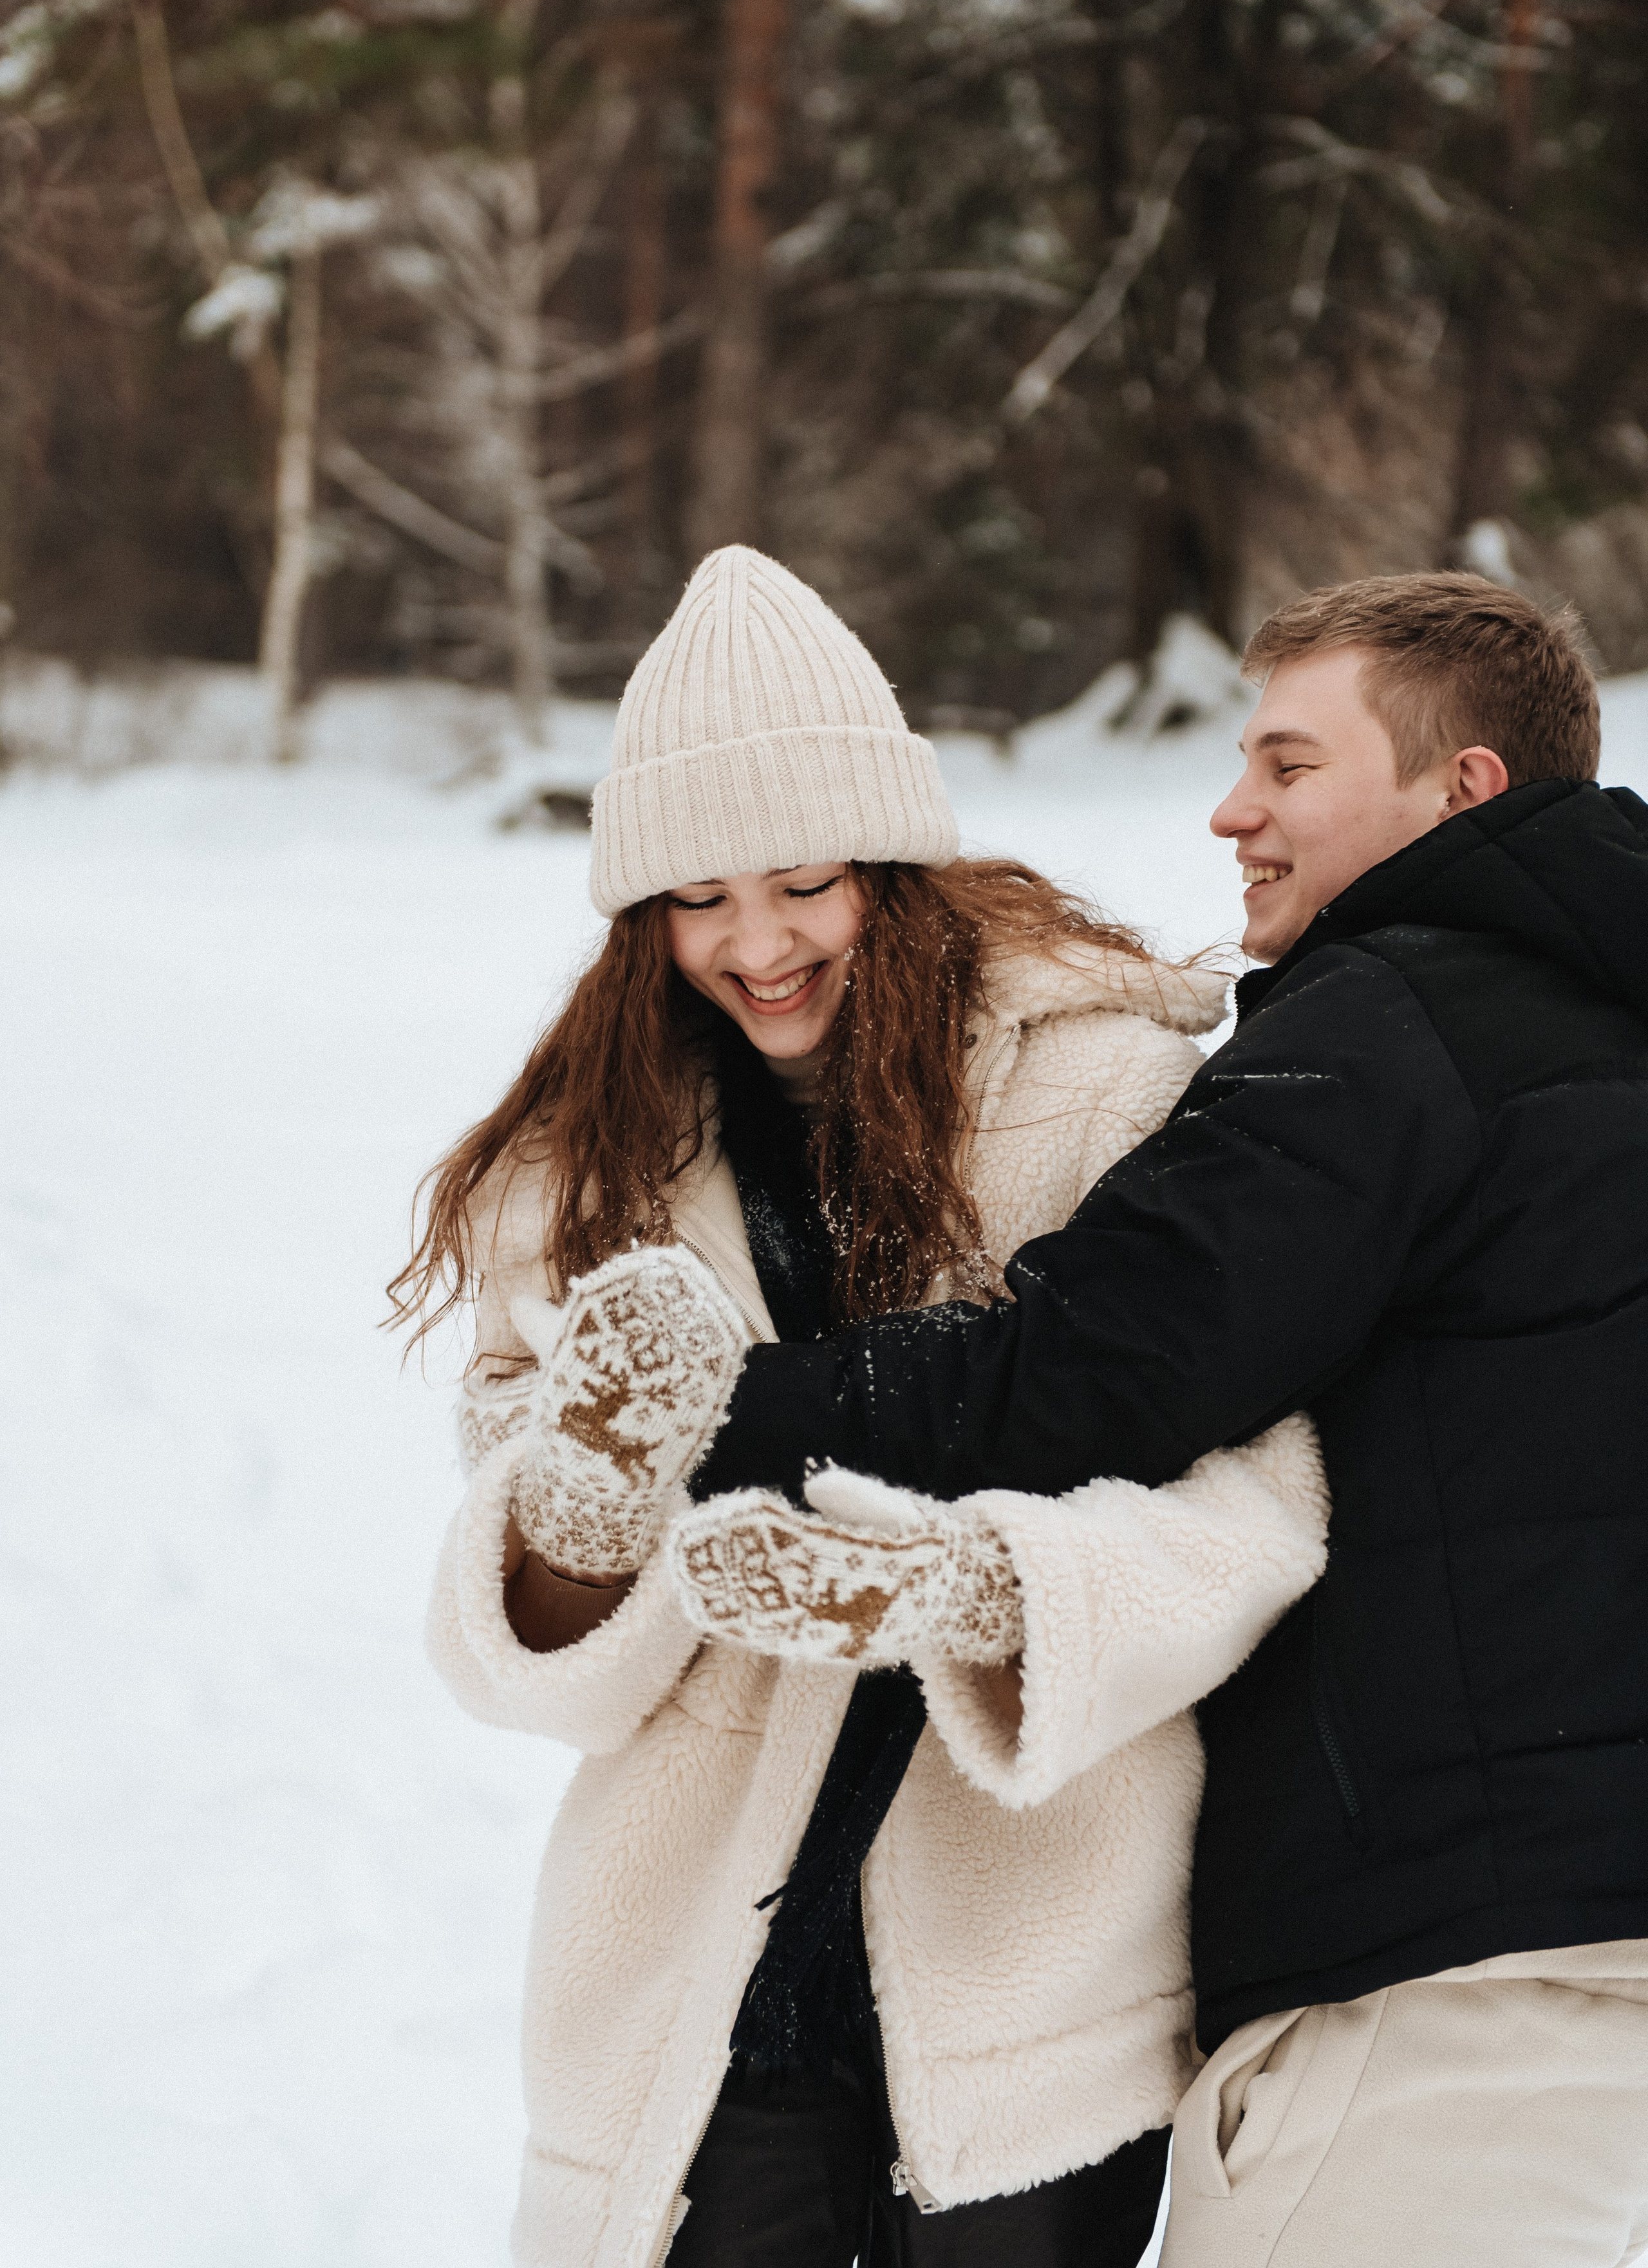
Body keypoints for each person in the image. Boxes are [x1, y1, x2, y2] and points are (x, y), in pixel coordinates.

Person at [680, 571, 1648, 2268]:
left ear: (1465, 785)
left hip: (1465, 1992)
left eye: (1290, 764)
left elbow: (1092, 1369)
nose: (1232, 809)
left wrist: (707, 1415)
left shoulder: (1399, 1022)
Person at [395, 545, 1327, 2268]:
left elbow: (1261, 1509)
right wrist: (575, 1532)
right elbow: (520, 1661)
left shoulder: (1111, 1097)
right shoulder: (588, 1172)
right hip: (702, 1992)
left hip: (1031, 1983)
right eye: (698, 899)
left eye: (805, 882)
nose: (757, 946)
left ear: (888, 865)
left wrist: (985, 1592)